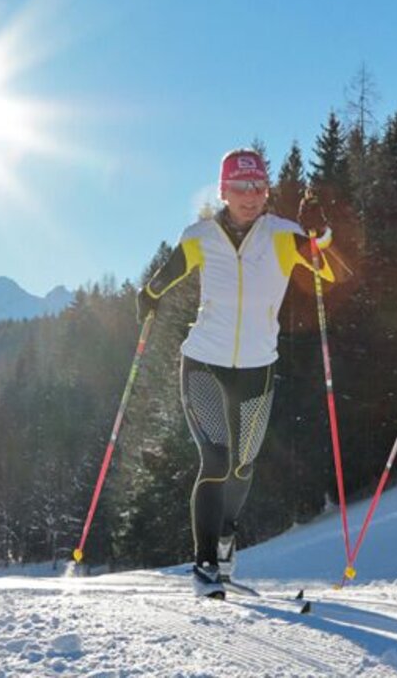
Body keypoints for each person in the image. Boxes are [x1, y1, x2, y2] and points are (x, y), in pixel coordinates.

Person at [136, 148, 333, 598]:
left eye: (259, 187)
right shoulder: (201, 235)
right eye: (241, 188)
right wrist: (148, 295)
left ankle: (226, 537)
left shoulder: (284, 235)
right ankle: (204, 564)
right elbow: (167, 274)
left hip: (257, 369)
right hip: (204, 362)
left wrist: (320, 235)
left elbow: (329, 273)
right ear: (223, 190)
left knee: (243, 466)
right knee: (217, 459)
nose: (251, 196)